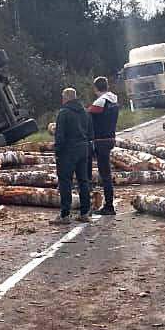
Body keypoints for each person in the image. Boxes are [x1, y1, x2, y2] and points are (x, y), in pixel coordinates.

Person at [52, 87, 94, 224]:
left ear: (66, 98)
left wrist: (58, 152)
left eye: (63, 97)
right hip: (83, 149)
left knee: (65, 183)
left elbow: (60, 136)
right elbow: (90, 133)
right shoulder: (85, 112)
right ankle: (85, 212)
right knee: (83, 181)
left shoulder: (63, 113)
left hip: (68, 152)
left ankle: (65, 215)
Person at [87, 76, 120, 215]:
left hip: (100, 141)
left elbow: (87, 115)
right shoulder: (114, 99)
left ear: (95, 88)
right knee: (105, 173)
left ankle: (108, 206)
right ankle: (107, 203)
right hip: (110, 138)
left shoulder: (100, 102)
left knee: (105, 174)